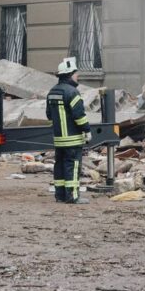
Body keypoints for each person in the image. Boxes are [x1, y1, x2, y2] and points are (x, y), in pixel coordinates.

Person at [46, 57, 90, 204]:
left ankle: (60, 196)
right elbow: (79, 116)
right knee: (73, 166)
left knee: (59, 165)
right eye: (76, 73)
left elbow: (49, 115)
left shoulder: (52, 92)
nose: (78, 76)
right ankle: (72, 196)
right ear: (69, 74)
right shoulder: (72, 92)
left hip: (58, 139)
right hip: (72, 139)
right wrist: (87, 130)